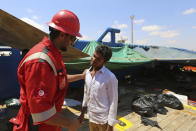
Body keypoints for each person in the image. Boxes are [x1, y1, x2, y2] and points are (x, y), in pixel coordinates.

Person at [9, 9, 85, 131]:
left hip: (50, 124)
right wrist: (70, 123)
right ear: (62, 35)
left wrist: (81, 76)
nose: (72, 43)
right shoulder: (41, 62)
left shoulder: (53, 54)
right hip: (36, 126)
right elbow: (41, 111)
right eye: (73, 39)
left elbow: (59, 79)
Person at [79, 45, 118, 131]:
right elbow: (86, 94)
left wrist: (110, 125)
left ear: (105, 62)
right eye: (94, 56)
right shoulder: (87, 74)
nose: (94, 60)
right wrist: (82, 114)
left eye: (98, 59)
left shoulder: (110, 77)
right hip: (91, 117)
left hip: (103, 121)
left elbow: (113, 102)